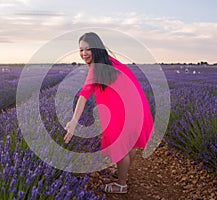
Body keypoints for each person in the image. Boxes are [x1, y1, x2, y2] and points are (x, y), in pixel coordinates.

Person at [64, 32, 154, 194]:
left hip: (120, 112)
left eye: (88, 49)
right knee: (130, 145)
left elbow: (84, 96)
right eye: (81, 50)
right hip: (136, 109)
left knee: (119, 148)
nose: (84, 53)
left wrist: (73, 121)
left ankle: (121, 184)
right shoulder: (111, 62)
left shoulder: (96, 69)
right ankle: (123, 172)